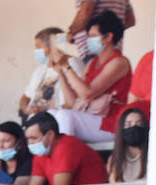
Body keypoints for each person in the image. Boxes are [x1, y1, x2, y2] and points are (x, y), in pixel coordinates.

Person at [49, 10, 132, 144]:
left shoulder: (119, 62)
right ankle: (54, 161)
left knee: (65, 116)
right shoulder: (92, 63)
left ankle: (68, 158)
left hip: (111, 123)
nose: (88, 41)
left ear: (108, 37)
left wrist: (67, 67)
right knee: (51, 115)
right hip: (91, 118)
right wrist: (60, 72)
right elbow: (72, 101)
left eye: (93, 36)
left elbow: (88, 94)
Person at [69, 0, 135, 55]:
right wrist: (112, 32)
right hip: (112, 50)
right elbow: (130, 20)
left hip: (93, 51)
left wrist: (71, 33)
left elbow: (85, 14)